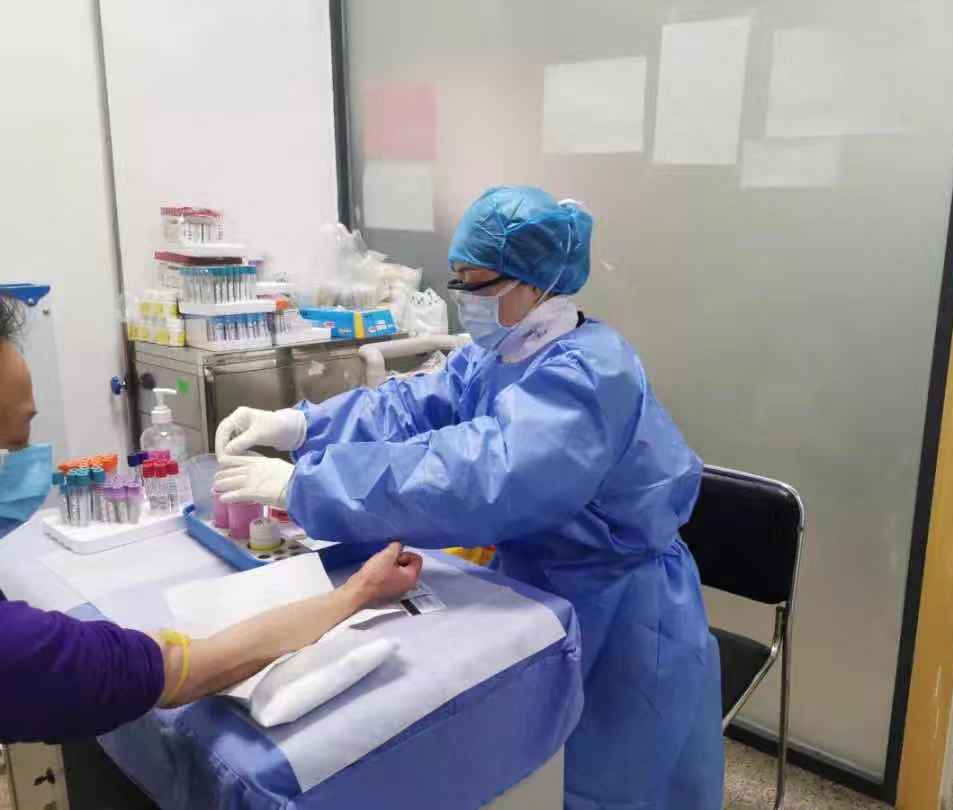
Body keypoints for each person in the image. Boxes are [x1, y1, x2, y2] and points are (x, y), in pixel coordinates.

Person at [214, 186, 725, 809]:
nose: (463, 299)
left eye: (475, 285)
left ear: (534, 282)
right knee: (536, 775)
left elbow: (480, 475)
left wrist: (306, 486)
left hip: (620, 607)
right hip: (539, 585)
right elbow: (410, 405)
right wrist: (302, 426)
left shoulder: (589, 375)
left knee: (613, 780)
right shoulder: (501, 352)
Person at [0, 291, 423, 744]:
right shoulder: (17, 649)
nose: (28, 459)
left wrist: (301, 427)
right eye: (15, 444)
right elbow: (191, 665)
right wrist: (360, 591)